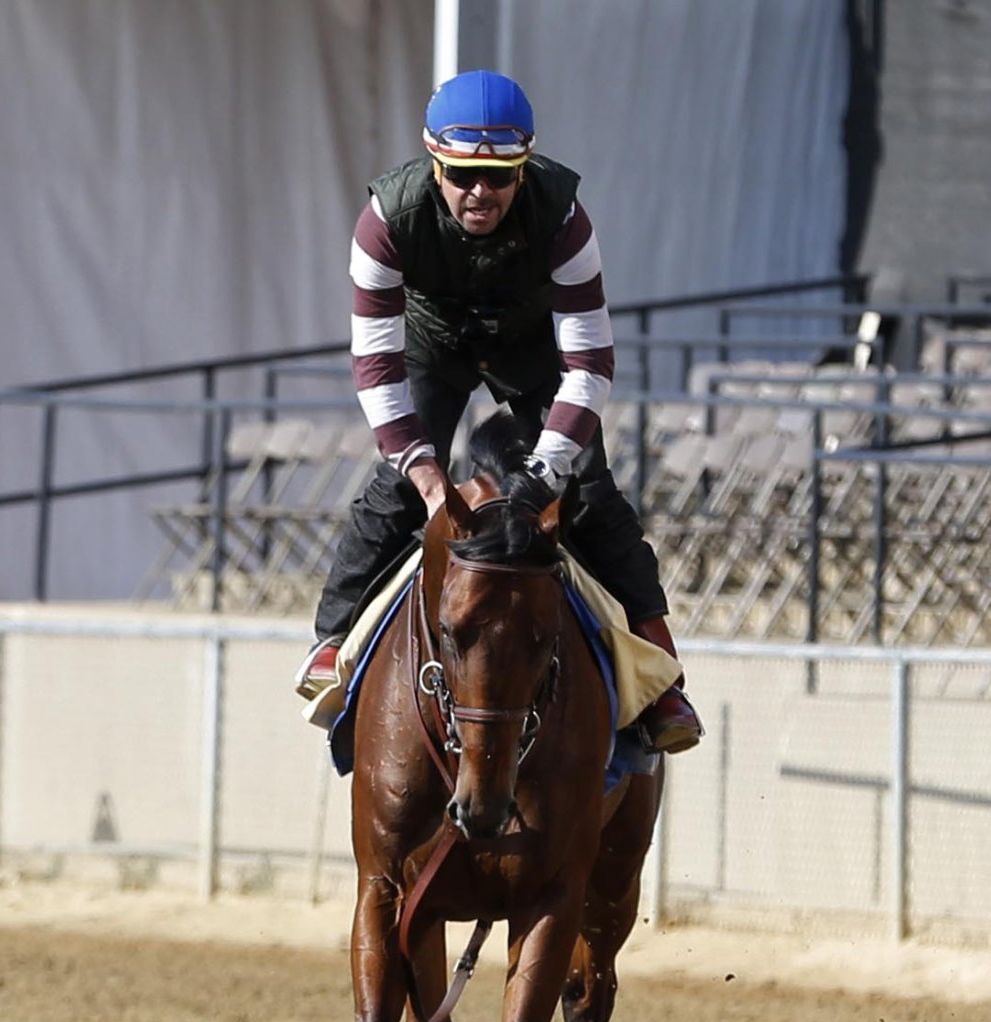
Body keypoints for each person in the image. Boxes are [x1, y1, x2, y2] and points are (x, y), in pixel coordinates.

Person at [298, 70, 698, 753]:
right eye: (460, 174)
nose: (480, 192)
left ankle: (662, 675)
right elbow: (375, 366)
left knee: (591, 493)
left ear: (525, 167)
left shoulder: (566, 220)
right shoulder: (385, 221)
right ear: (433, 159)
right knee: (396, 489)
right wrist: (429, 481)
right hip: (432, 345)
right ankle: (331, 643)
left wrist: (545, 475)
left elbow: (590, 365)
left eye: (502, 176)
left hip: (533, 345)